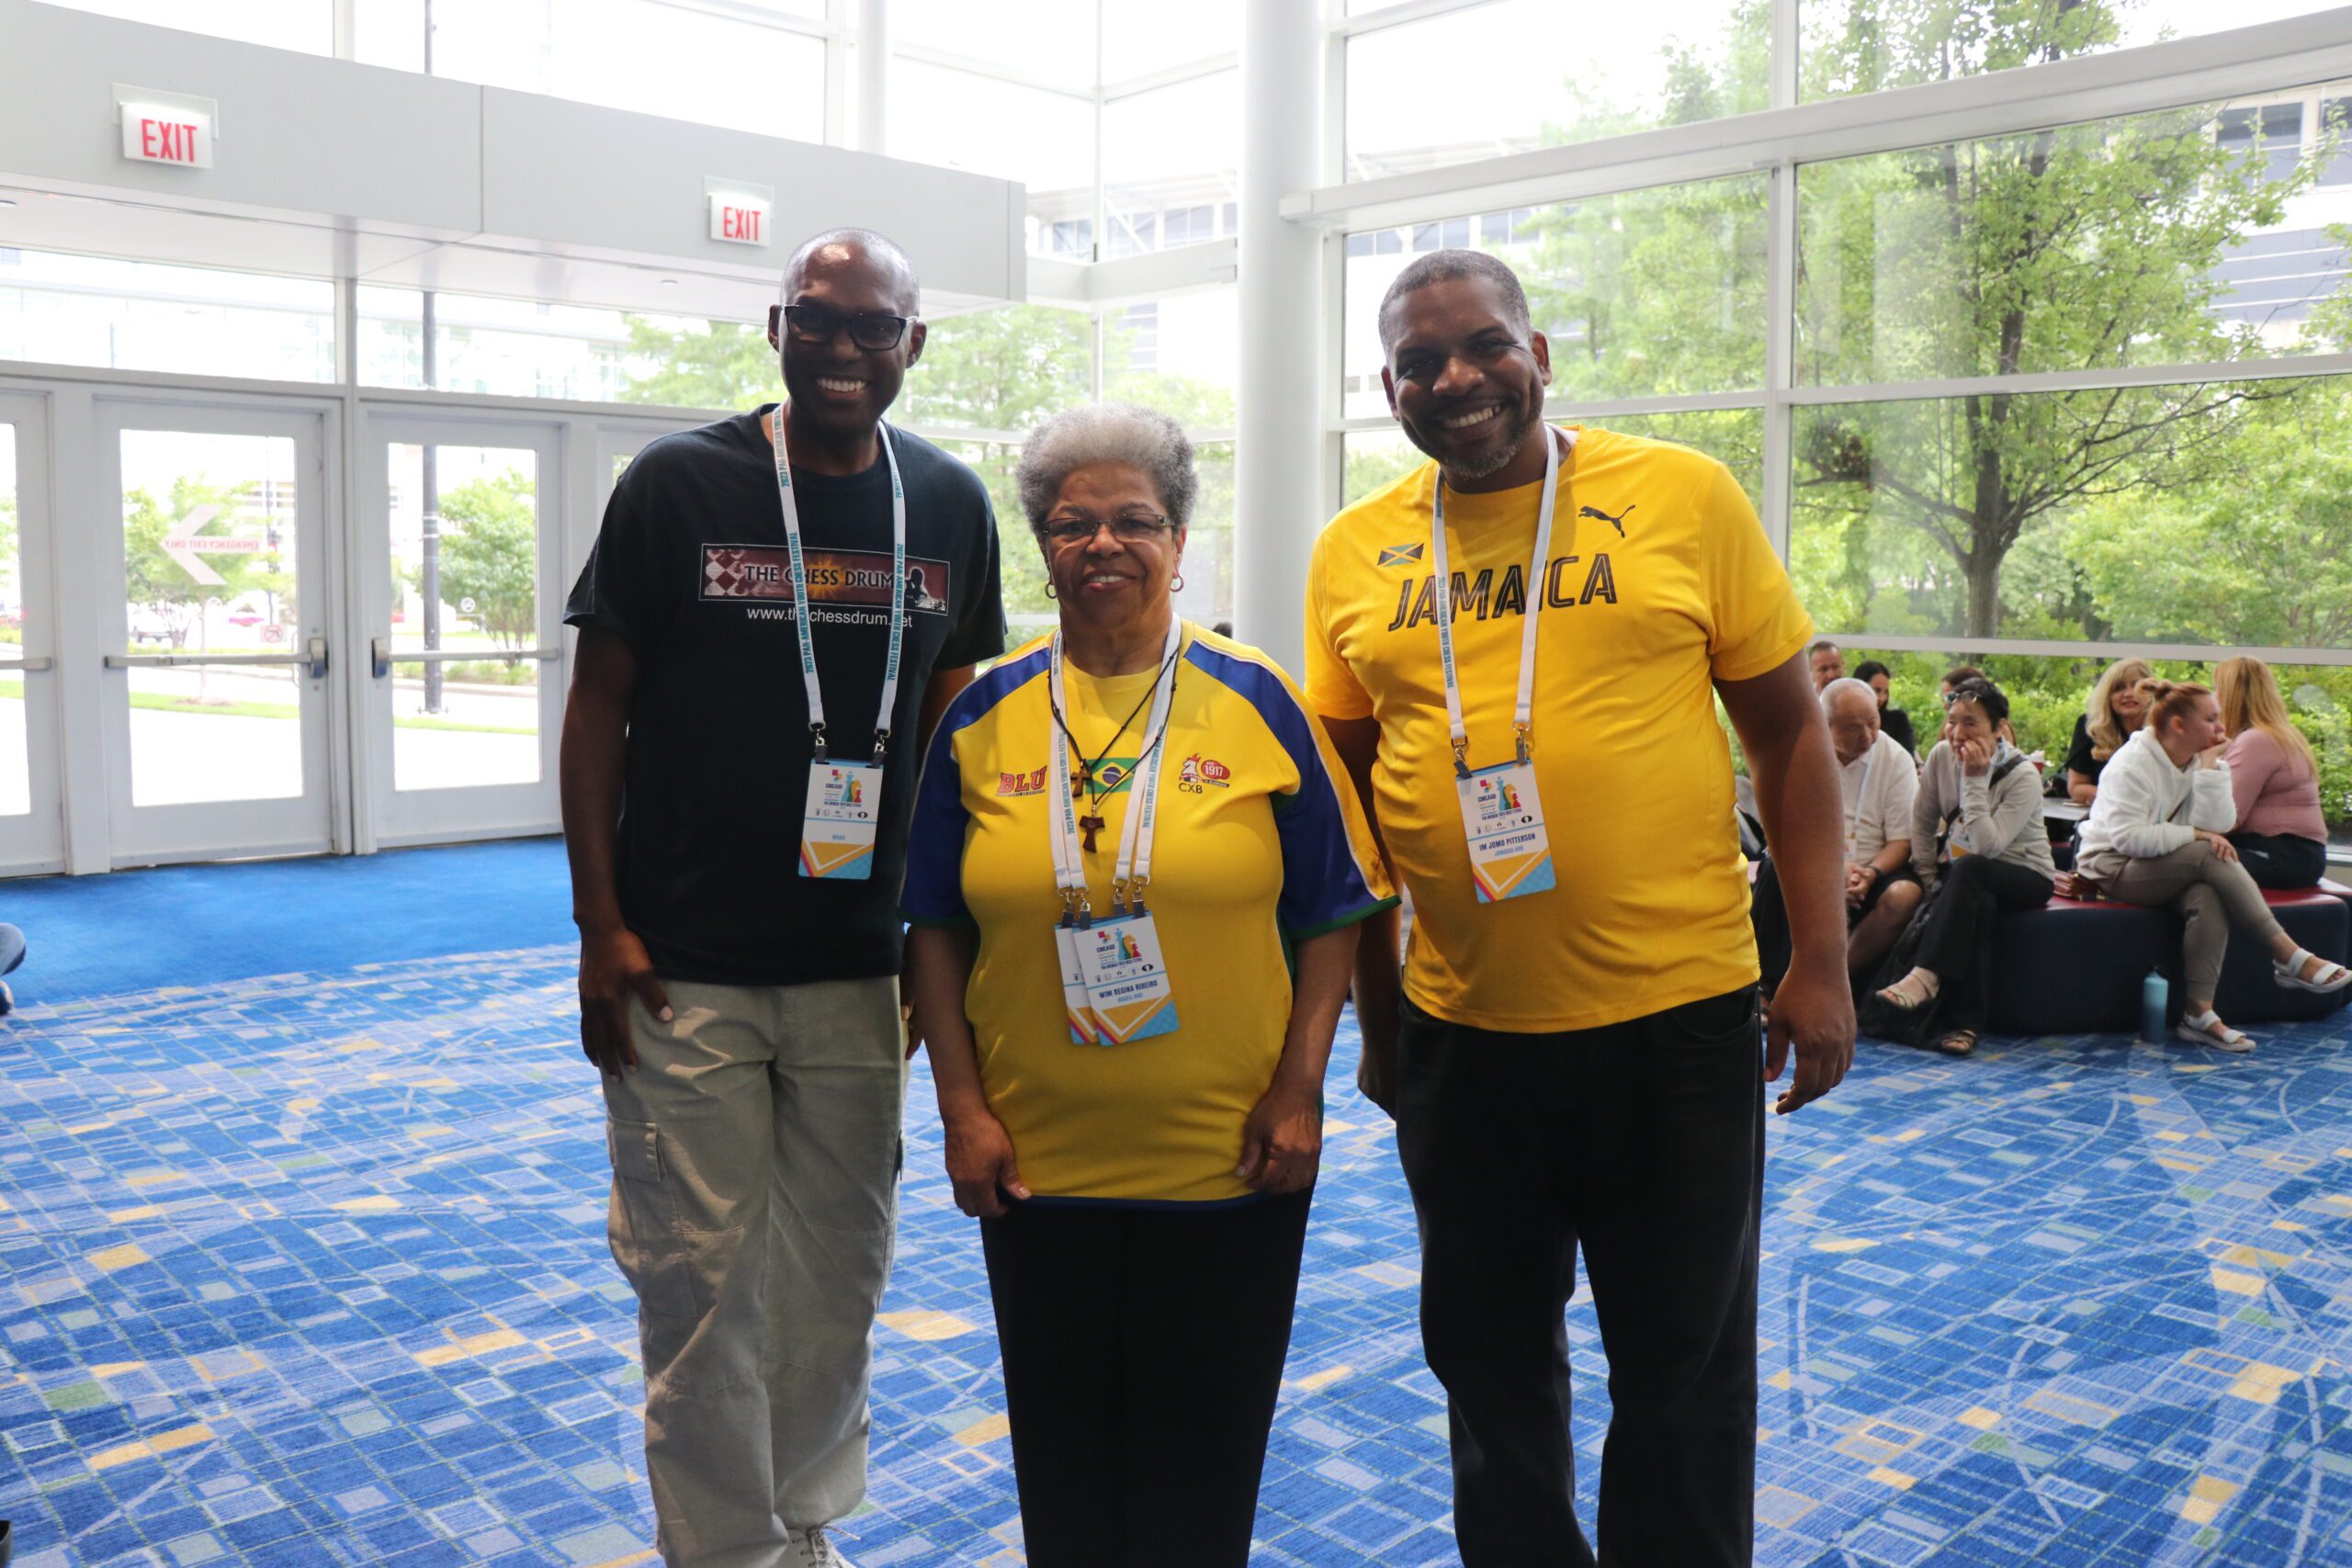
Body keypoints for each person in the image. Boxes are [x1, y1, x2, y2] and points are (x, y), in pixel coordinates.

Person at [1305, 248, 1853, 1566]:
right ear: (1390, 389)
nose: (1457, 377)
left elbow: (1788, 737)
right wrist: (1382, 1028)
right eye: (1420, 361)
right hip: (1466, 1032)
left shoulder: (1681, 495)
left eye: (1483, 344)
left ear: (1538, 354)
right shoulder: (1353, 552)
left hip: (1676, 1021)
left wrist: (1822, 957)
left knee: (1683, 1369)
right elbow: (1350, 830)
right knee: (1488, 1371)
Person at [560, 228, 1005, 1568]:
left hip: (862, 968)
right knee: (700, 1277)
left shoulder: (950, 504)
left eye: (875, 328)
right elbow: (598, 716)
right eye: (818, 321)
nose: (844, 351)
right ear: (777, 325)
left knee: (836, 1275)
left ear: (913, 344)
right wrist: (598, 921)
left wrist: (947, 953)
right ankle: (723, 1549)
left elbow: (955, 742)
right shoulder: (678, 484)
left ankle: (805, 1522)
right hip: (679, 959)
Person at [902, 404, 1395, 1568]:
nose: (1103, 546)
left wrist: (1302, 1089)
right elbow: (932, 928)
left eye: (1134, 520)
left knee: (1201, 1473)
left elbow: (1334, 912)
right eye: (1073, 525)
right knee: (1064, 1474)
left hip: (1227, 1160)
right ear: (1044, 548)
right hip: (1036, 1165)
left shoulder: (1257, 698)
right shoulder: (981, 717)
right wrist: (961, 1113)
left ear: (1178, 541)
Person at [2075, 679, 2350, 1051]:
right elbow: (2129, 839)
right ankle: (2287, 955)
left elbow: (2220, 824)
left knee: (2208, 894)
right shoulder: (2132, 763)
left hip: (2157, 863)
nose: (2222, 729)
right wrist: (2196, 835)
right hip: (2111, 864)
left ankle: (2199, 1014)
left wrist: (2210, 771)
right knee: (2209, 851)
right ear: (2178, 725)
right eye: (2212, 720)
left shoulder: (2198, 761)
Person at [1869, 678, 2055, 1056]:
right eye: (1953, 721)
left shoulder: (2022, 776)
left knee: (1970, 872)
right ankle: (1966, 1025)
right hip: (1968, 877)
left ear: (1998, 728)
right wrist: (1927, 878)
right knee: (1977, 900)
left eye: (1971, 723)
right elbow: (1921, 822)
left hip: (2025, 875)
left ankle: (1925, 976)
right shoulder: (1940, 756)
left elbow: (1988, 846)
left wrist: (1973, 779)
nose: (1957, 733)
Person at [1753, 678, 1922, 994]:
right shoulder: (1801, 752)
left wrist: (1870, 873)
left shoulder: (1895, 758)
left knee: (1905, 895)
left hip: (1874, 868)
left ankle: (1825, 981)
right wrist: (1832, 872)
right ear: (1825, 724)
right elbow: (1787, 828)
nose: (1868, 735)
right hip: (1813, 862)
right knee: (1775, 864)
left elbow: (1901, 841)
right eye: (1854, 728)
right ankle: (1767, 986)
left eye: (1873, 722)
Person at [2217, 656, 2329, 889]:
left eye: (2217, 690)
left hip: (2283, 856)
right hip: (2300, 856)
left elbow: (2227, 819)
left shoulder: (2256, 740)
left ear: (2230, 695)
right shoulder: (2284, 735)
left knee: (2189, 859)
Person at [2064, 656, 2152, 805]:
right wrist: (2124, 799)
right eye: (2119, 688)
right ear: (2107, 696)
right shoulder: (2089, 726)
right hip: (2103, 818)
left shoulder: (2164, 729)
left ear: (2150, 693)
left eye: (2136, 686)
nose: (2129, 694)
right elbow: (2076, 788)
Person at [1854, 659, 1917, 759]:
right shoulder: (1842, 720)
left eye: (1885, 692)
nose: (1882, 698)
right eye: (1876, 690)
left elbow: (1907, 758)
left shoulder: (1898, 720)